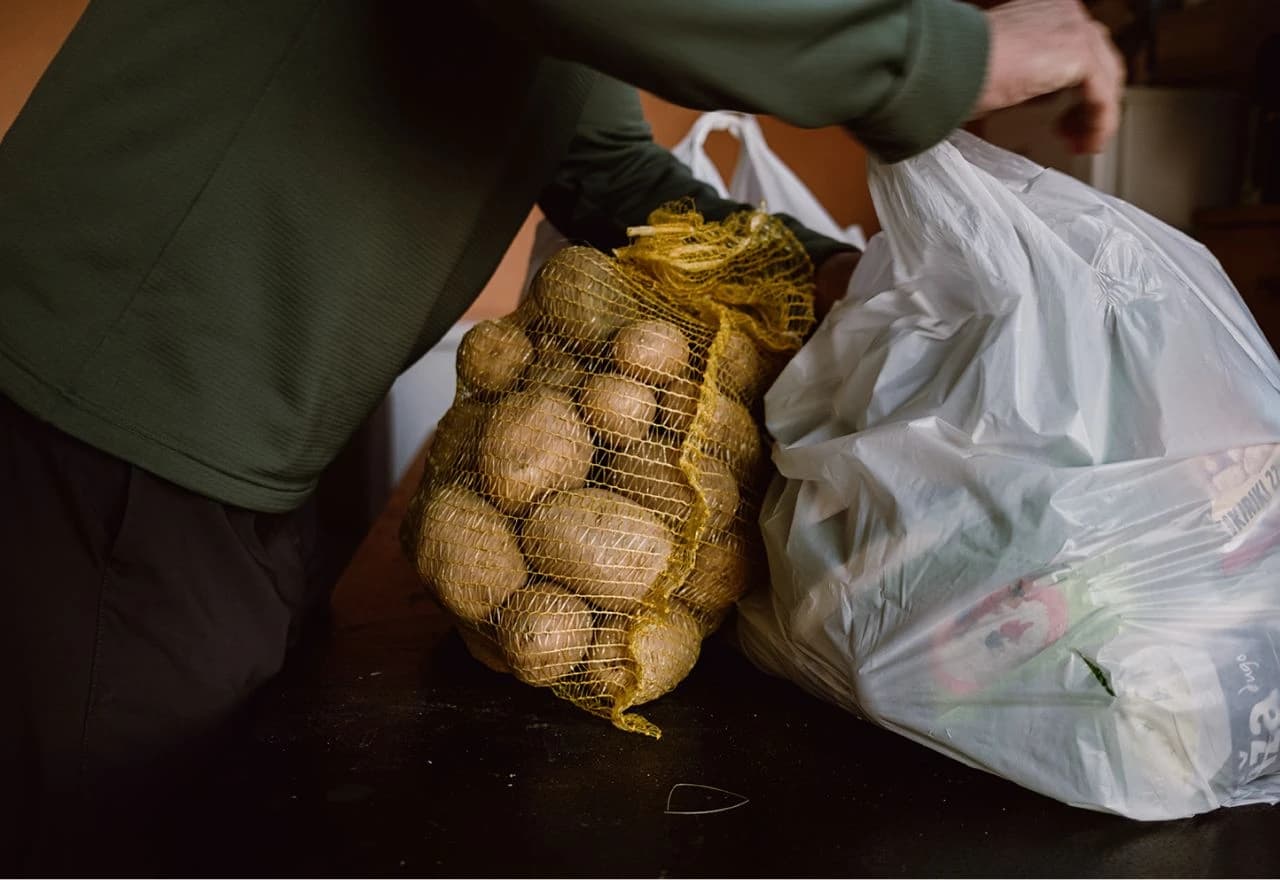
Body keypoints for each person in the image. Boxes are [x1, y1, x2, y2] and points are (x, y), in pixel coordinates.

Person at [0, 0, 1123, 869]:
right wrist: (951, 53)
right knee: (115, 835)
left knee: (219, 812)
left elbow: (607, 172)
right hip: (109, 404)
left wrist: (846, 276)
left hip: (237, 438)